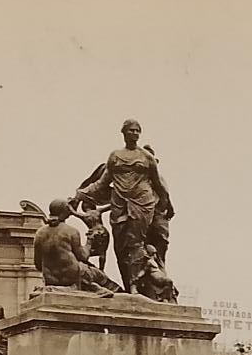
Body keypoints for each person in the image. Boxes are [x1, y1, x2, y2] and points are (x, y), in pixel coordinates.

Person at [71, 118, 175, 298]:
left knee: (135, 244)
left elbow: (158, 184)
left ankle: (135, 287)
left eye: (137, 131)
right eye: (131, 130)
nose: (134, 133)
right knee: (120, 248)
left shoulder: (146, 157)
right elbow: (101, 183)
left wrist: (167, 203)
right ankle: (129, 286)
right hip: (119, 205)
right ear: (124, 133)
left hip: (142, 203)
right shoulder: (115, 156)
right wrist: (78, 196)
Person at [33, 198, 122, 294]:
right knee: (99, 275)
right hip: (72, 277)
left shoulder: (39, 233)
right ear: (65, 211)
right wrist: (89, 241)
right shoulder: (71, 231)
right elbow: (83, 256)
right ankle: (120, 294)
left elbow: (38, 264)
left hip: (50, 279)